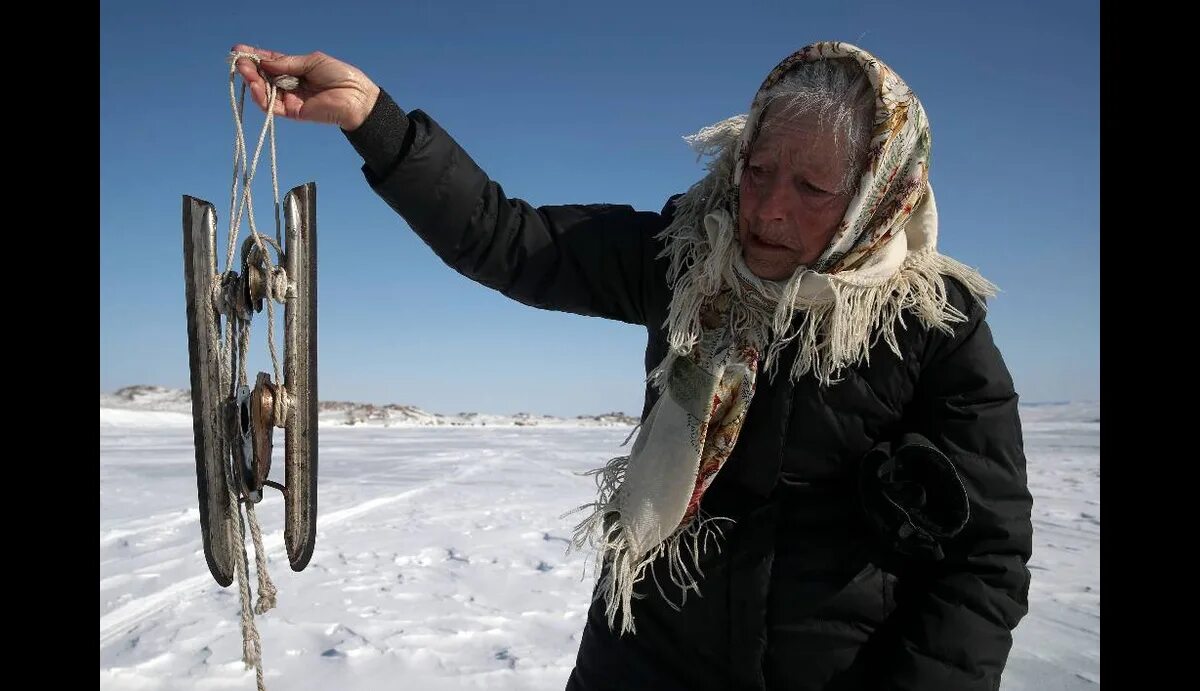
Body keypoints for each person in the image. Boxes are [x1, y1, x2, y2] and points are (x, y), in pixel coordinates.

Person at [233, 40, 1033, 691]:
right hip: (636, 660)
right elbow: (509, 238)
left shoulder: (932, 327)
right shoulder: (689, 259)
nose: (768, 207)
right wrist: (375, 119)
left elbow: (985, 561)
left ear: (875, 195)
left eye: (812, 186)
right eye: (757, 170)